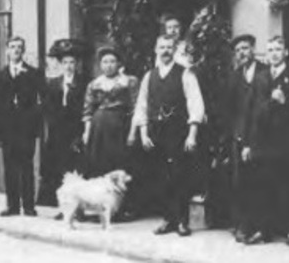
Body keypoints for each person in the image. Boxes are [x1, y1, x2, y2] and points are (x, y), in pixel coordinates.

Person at [132, 35, 205, 237]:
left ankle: (182, 221)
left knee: (179, 175)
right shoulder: (149, 76)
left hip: (178, 132)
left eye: (169, 47)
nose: (165, 51)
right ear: (156, 49)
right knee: (160, 176)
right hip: (155, 132)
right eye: (161, 47)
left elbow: (195, 103)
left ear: (174, 50)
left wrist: (192, 134)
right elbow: (142, 105)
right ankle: (168, 219)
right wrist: (143, 132)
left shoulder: (185, 74)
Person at [252, 36, 289, 245]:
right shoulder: (261, 77)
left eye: (278, 49)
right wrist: (272, 102)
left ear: (286, 53)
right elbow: (255, 112)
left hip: (287, 142)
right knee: (265, 186)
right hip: (265, 142)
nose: (274, 53)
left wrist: (284, 103)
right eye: (270, 49)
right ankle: (265, 230)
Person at [0, 36, 45, 217]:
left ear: (24, 50)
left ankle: (29, 206)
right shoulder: (1, 74)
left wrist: (35, 120)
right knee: (10, 168)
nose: (16, 50)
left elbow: (44, 100)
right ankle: (12, 206)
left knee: (27, 167)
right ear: (7, 51)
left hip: (26, 130)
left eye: (19, 47)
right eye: (12, 47)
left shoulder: (33, 73)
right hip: (7, 131)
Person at [226, 33, 271, 244]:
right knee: (240, 182)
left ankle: (261, 227)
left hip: (262, 136)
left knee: (259, 182)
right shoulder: (235, 75)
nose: (241, 53)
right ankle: (243, 225)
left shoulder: (265, 72)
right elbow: (230, 108)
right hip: (239, 136)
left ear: (253, 49)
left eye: (245, 48)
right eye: (237, 50)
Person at [37, 41, 86, 209]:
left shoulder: (83, 83)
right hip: (57, 132)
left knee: (73, 170)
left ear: (77, 64)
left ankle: (75, 206)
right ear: (61, 64)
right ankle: (60, 204)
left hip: (75, 132)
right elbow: (48, 108)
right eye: (65, 62)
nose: (69, 66)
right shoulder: (53, 83)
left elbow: (85, 109)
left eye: (72, 62)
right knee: (57, 168)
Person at [83, 48, 139, 182]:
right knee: (99, 163)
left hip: (121, 127)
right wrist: (87, 131)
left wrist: (133, 132)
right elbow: (88, 110)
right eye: (105, 62)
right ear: (100, 65)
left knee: (120, 163)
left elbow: (137, 107)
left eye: (112, 61)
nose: (108, 65)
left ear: (119, 63)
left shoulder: (129, 81)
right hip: (99, 129)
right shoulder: (94, 84)